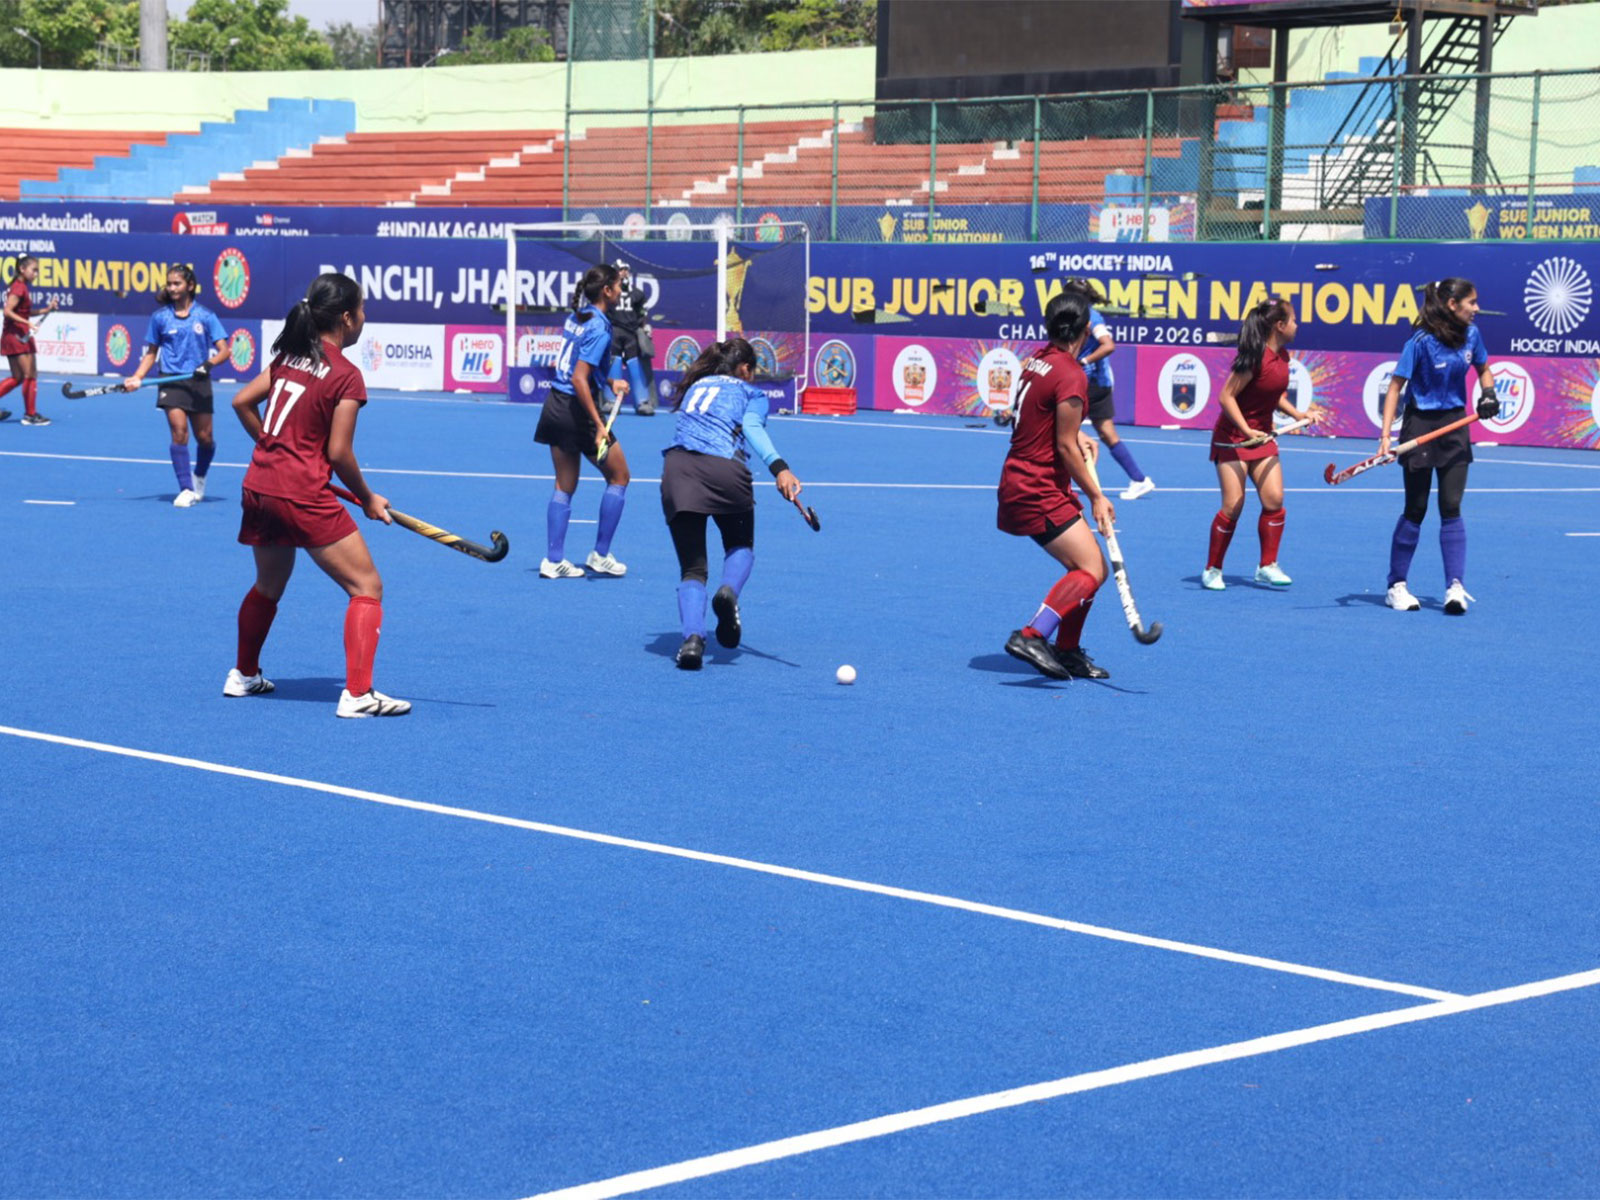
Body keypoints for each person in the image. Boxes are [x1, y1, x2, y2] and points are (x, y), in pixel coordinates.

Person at [227, 272, 410, 718]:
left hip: (260, 486)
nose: (365, 318)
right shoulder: (346, 375)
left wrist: (274, 449)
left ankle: (243, 675)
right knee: (366, 586)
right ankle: (359, 694)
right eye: (363, 310)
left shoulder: (290, 357)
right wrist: (367, 498)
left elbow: (241, 402)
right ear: (347, 318)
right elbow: (339, 452)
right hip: (300, 494)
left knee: (269, 584)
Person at [660, 337, 802, 671]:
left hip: (677, 469)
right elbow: (751, 428)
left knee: (693, 568)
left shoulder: (695, 387)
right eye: (753, 370)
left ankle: (692, 641)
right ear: (744, 368)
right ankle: (729, 592)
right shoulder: (750, 393)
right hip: (724, 469)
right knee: (739, 544)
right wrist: (779, 468)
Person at [997, 289, 1115, 682]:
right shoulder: (1071, 372)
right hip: (1037, 486)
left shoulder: (1038, 360)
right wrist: (1097, 496)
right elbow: (1064, 445)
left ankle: (1066, 651)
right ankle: (1032, 635)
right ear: (1084, 329)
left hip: (1025, 479)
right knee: (1092, 568)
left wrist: (1078, 436)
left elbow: (1049, 424)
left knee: (1086, 568)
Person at [1378, 277, 1498, 616]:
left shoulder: (1472, 335)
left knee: (1451, 505)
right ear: (1451, 305)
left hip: (1455, 425)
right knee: (1415, 508)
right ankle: (1396, 585)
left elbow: (1484, 369)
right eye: (1471, 303)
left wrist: (1488, 393)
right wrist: (1386, 436)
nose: (1477, 309)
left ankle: (1454, 587)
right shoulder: (1419, 341)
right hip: (1420, 424)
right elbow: (1394, 389)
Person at [1203, 297, 1314, 590]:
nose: (1296, 324)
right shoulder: (1254, 358)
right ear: (1279, 326)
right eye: (1293, 320)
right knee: (1233, 504)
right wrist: (1246, 430)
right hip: (1233, 438)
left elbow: (1274, 394)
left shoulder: (1283, 357)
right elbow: (1226, 396)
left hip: (1262, 436)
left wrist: (1298, 413)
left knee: (1274, 500)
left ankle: (1267, 565)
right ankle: (1213, 569)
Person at [536, 264, 632, 579]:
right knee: (619, 476)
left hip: (555, 405)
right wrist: (599, 424)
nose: (621, 291)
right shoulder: (600, 328)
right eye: (618, 286)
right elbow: (579, 378)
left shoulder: (578, 316)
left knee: (565, 484)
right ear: (607, 291)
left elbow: (585, 367)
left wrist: (609, 383)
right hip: (577, 411)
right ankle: (600, 555)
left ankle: (553, 560)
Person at [124, 265, 230, 507]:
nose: (171, 288)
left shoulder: (205, 316)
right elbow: (152, 353)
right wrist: (137, 377)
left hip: (198, 381)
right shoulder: (160, 317)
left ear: (190, 286)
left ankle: (199, 477)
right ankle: (185, 488)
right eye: (169, 284)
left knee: (205, 438)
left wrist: (209, 364)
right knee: (179, 432)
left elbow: (224, 351)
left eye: (177, 284)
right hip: (170, 381)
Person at [1067, 278, 1154, 501]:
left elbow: (1108, 344)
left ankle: (1071, 481)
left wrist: (1084, 361)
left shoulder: (1092, 317)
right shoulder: (1077, 313)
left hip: (1092, 382)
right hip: (1095, 382)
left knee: (1066, 431)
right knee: (1106, 432)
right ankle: (1139, 479)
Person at [1, 254, 58, 426]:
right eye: (34, 270)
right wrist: (27, 324)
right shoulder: (19, 288)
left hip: (13, 335)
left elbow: (23, 312)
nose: (36, 274)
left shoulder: (21, 287)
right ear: (22, 269)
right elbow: (7, 311)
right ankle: (30, 415)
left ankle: (30, 413)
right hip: (18, 335)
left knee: (18, 377)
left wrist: (46, 310)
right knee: (30, 374)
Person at [609, 259, 657, 415]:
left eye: (626, 270)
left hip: (631, 333)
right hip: (614, 331)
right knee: (613, 363)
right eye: (621, 269)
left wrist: (645, 327)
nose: (624, 272)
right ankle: (611, 401)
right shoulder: (608, 292)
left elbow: (642, 313)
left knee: (635, 365)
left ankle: (641, 401)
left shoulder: (637, 293)